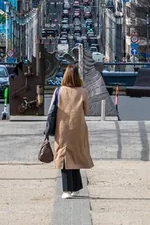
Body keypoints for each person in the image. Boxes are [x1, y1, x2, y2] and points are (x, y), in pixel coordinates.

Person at [52, 65, 94, 199]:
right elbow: (85, 109)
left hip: (62, 127)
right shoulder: (83, 91)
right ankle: (76, 187)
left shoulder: (59, 91)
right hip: (78, 127)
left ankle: (66, 190)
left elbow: (52, 109)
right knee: (76, 155)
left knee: (64, 157)